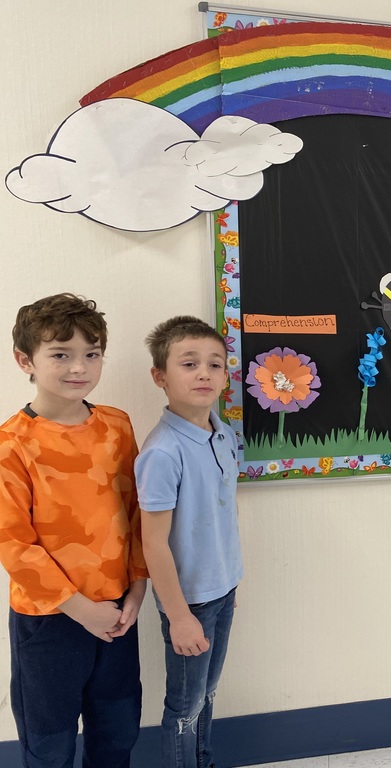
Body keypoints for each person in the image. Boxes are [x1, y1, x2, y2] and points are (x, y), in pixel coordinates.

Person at [0, 293, 147, 767]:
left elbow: (137, 511)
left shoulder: (117, 426)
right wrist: (81, 610)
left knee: (118, 729)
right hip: (50, 620)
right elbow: (13, 543)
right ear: (25, 360)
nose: (79, 367)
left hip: (117, 609)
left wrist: (138, 586)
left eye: (92, 353)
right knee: (50, 742)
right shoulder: (11, 444)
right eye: (60, 354)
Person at [135, 316, 242, 768]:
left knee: (208, 694)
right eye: (189, 363)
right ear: (160, 376)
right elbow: (153, 544)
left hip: (223, 589)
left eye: (215, 364)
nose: (204, 374)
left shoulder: (223, 433)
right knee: (184, 709)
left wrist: (230, 580)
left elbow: (221, 513)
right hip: (190, 602)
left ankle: (203, 761)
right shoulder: (162, 452)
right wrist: (179, 618)